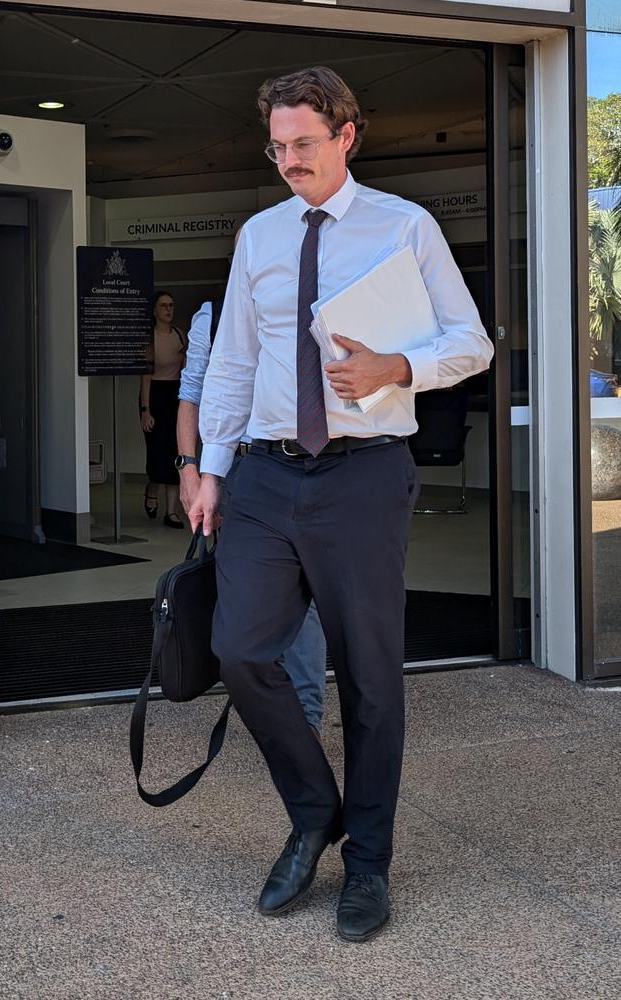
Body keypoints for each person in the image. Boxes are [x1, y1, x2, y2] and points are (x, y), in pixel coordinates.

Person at [189, 66, 494, 943]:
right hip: (265, 475)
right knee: (240, 650)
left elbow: (469, 341)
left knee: (368, 676)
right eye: (278, 146)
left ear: (347, 133)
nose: (289, 160)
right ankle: (314, 808)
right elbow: (238, 362)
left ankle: (367, 864)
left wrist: (396, 369)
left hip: (363, 474)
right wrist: (211, 468)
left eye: (304, 144)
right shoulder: (259, 234)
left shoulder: (406, 227)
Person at [176, 292, 328, 737]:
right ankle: (264, 698)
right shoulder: (213, 314)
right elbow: (192, 395)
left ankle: (305, 719)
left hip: (308, 462)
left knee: (305, 593)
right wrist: (191, 470)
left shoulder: (312, 302)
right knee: (245, 591)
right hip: (238, 467)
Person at [140, 291, 186, 529]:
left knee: (175, 450)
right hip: (155, 395)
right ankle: (152, 488)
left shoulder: (179, 335)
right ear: (155, 310)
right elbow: (146, 377)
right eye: (164, 305)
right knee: (157, 451)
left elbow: (185, 369)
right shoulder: (150, 338)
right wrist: (145, 410)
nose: (169, 309)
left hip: (175, 394)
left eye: (171, 305)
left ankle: (171, 512)